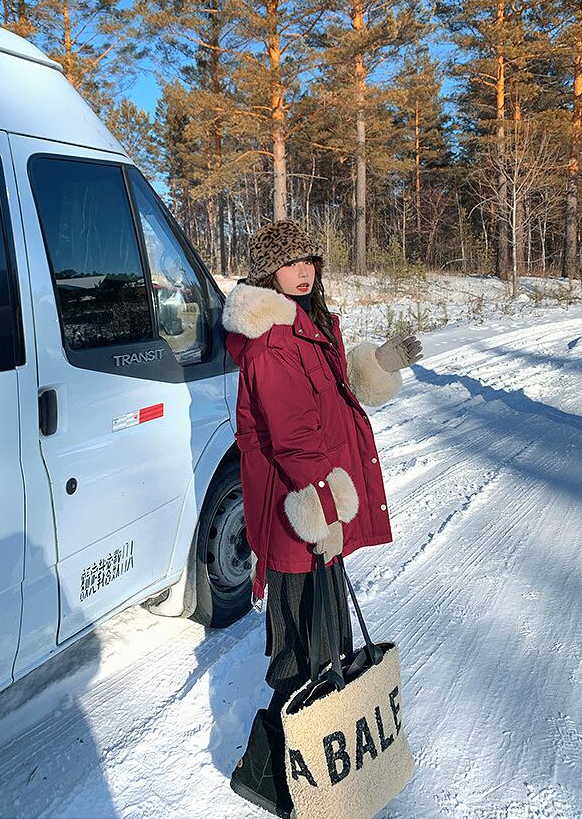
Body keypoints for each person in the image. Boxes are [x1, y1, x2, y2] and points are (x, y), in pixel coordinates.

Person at [221, 219, 422, 818]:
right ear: (268, 273)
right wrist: (326, 514)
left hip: (314, 517)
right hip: (298, 523)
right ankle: (281, 777)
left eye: (309, 259)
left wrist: (378, 363)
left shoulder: (310, 325)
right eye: (290, 263)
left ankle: (317, 774)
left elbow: (332, 397)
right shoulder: (272, 341)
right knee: (301, 651)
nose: (303, 271)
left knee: (325, 642)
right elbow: (294, 440)